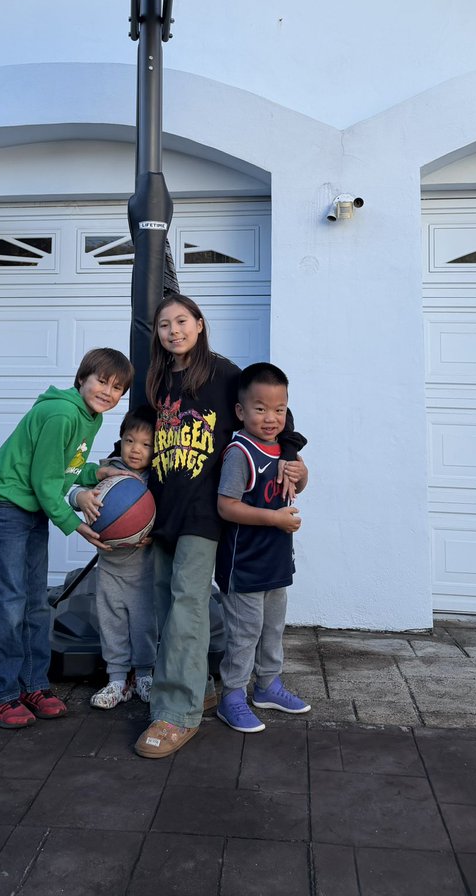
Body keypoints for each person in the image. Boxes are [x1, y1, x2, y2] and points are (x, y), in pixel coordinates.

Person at [134, 295, 307, 759]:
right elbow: (139, 437)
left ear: (200, 324)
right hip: (161, 509)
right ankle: (204, 687)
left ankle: (176, 713)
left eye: (182, 321)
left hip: (204, 512)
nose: (174, 330)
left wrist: (292, 459)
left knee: (187, 605)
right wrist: (115, 472)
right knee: (168, 607)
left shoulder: (222, 372)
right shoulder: (154, 381)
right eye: (165, 324)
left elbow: (271, 412)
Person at [0, 347, 132, 730]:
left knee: (35, 604)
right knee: (8, 604)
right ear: (82, 379)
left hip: (30, 507)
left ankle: (33, 685)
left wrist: (97, 472)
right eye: (101, 381)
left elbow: (67, 467)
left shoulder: (89, 416)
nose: (107, 392)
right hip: (6, 505)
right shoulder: (62, 413)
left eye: (117, 388)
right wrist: (76, 523)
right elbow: (46, 484)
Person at [214, 362, 311, 732]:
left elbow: (296, 486)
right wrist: (274, 519)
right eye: (260, 409)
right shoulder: (240, 453)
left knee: (272, 630)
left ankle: (268, 686)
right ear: (241, 411)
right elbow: (227, 506)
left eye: (279, 409)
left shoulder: (284, 450)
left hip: (275, 562)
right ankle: (232, 696)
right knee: (244, 634)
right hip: (245, 565)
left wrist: (302, 476)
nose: (271, 418)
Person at [69, 405, 158, 709]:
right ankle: (117, 680)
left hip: (145, 569)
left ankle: (145, 674)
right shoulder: (107, 471)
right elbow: (73, 488)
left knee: (145, 624)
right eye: (131, 440)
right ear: (121, 439)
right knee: (112, 622)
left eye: (147, 444)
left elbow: (167, 515)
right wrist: (81, 497)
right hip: (110, 567)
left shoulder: (157, 481)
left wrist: (156, 533)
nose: (137, 450)